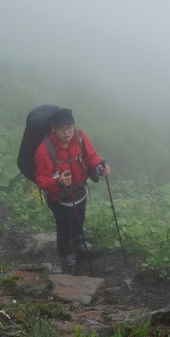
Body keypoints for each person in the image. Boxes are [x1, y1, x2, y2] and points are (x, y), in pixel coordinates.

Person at [33, 108, 111, 273]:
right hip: (59, 198)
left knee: (79, 219)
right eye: (63, 128)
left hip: (80, 191)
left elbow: (92, 157)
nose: (67, 132)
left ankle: (80, 246)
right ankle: (67, 259)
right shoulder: (44, 149)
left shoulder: (80, 138)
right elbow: (41, 180)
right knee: (64, 228)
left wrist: (99, 168)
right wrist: (59, 182)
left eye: (70, 127)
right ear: (54, 128)